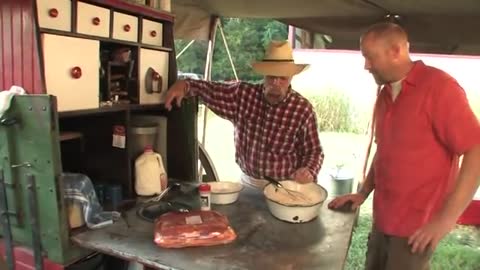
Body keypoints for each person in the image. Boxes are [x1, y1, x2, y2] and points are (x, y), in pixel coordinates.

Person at [328, 22, 480, 270]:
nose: (365, 66)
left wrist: (444, 221)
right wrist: (363, 192)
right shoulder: (385, 94)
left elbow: (476, 149)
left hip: (415, 229)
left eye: (370, 57)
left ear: (396, 51)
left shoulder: (439, 88)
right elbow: (385, 150)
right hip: (382, 220)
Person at [164, 40, 324, 188]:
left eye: (282, 78)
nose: (276, 84)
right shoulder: (243, 95)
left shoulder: (302, 109)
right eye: (271, 77)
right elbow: (210, 90)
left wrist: (309, 170)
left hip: (285, 188)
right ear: (264, 75)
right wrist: (185, 84)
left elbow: (314, 151)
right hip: (248, 183)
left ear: (291, 77)